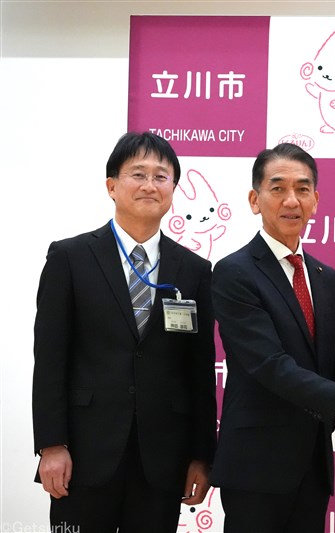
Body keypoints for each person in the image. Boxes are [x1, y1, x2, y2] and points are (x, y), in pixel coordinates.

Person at [210, 143, 335, 532]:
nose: (292, 200)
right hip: (256, 466)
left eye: (302, 189)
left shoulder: (324, 278)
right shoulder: (234, 272)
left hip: (312, 464)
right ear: (255, 200)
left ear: (316, 201)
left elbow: (327, 369)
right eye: (278, 188)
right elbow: (269, 365)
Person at [32, 132, 217, 531]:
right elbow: (49, 359)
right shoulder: (70, 258)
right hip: (84, 455)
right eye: (138, 173)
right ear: (112, 186)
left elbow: (200, 371)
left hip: (162, 461)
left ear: (173, 190)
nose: (150, 185)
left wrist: (202, 455)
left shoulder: (195, 271)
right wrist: (51, 444)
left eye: (161, 176)